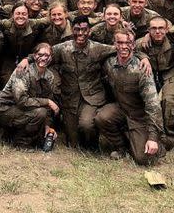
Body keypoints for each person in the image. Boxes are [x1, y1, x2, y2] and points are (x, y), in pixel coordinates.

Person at [50, 16, 126, 148]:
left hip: (92, 97)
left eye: (84, 30)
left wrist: (143, 58)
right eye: (77, 29)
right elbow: (43, 55)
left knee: (86, 125)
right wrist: (27, 60)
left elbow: (123, 49)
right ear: (72, 30)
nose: (80, 33)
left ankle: (92, 144)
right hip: (70, 98)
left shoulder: (97, 48)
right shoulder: (62, 48)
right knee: (73, 144)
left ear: (89, 31)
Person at [103, 29, 166, 165]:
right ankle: (121, 147)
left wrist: (153, 138)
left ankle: (161, 142)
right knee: (102, 117)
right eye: (120, 42)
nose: (124, 46)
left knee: (143, 159)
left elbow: (153, 104)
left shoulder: (142, 68)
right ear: (114, 44)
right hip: (121, 109)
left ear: (133, 45)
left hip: (139, 116)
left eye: (128, 43)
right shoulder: (109, 63)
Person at [0, 43, 60, 149]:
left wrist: (47, 125)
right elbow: (21, 101)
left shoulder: (49, 76)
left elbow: (48, 107)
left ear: (51, 58)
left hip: (26, 110)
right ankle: (21, 143)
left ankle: (15, 136)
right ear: (34, 56)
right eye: (40, 54)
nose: (43, 58)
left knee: (43, 133)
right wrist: (47, 102)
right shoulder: (23, 71)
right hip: (6, 109)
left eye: (47, 55)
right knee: (40, 112)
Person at [136, 17, 174, 138]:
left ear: (167, 29)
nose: (157, 31)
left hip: (170, 71)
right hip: (151, 73)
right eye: (153, 28)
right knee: (149, 100)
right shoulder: (142, 43)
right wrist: (143, 56)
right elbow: (132, 50)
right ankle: (151, 130)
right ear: (148, 30)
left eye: (161, 28)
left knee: (170, 99)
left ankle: (169, 132)